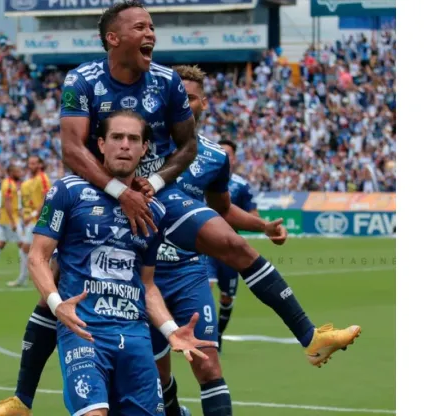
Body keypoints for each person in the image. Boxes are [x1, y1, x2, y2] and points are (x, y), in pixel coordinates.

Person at [0, 2, 198, 414]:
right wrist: (119, 190)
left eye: (153, 26)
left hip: (151, 195)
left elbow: (189, 145)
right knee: (60, 281)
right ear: (113, 39)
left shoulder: (167, 81)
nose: (151, 33)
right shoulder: (82, 81)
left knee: (167, 268)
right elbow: (70, 148)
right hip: (101, 191)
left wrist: (152, 184)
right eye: (141, 27)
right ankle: (22, 399)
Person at [148, 64, 361, 416]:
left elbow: (223, 210)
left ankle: (311, 338)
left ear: (203, 104)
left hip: (188, 273)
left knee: (208, 368)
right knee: (159, 378)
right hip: (146, 274)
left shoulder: (215, 157)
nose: (184, 103)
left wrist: (263, 226)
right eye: (178, 97)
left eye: (192, 98)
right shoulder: (143, 141)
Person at [28, 110, 214, 416]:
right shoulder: (68, 191)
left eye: (133, 139)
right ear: (101, 144)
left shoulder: (154, 211)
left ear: (144, 149)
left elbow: (147, 283)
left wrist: (170, 330)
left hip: (136, 338)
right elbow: (38, 256)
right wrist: (56, 303)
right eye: (116, 137)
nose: (124, 145)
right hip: (85, 333)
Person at [208, 139, 257, 352]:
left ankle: (218, 334)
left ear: (234, 158)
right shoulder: (203, 179)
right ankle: (204, 335)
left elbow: (253, 215)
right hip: (205, 245)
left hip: (229, 248)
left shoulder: (241, 186)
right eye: (221, 152)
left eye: (228, 153)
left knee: (226, 298)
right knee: (204, 288)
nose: (224, 156)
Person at [9, 156, 52, 288]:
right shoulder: (29, 181)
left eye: (34, 163)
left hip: (41, 220)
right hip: (31, 221)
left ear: (39, 165)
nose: (31, 165)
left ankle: (42, 278)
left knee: (33, 249)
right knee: (29, 249)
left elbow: (47, 197)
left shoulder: (43, 178)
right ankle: (31, 277)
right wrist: (24, 213)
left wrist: (33, 214)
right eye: (29, 163)